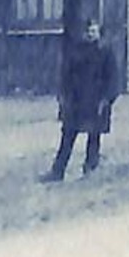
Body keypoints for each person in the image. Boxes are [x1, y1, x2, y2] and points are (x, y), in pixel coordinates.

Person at [40, 19, 119, 182]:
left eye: (94, 31)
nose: (91, 35)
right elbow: (67, 74)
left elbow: (113, 79)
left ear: (99, 34)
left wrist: (106, 99)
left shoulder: (105, 52)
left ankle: (90, 167)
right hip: (77, 101)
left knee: (94, 136)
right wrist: (64, 96)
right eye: (89, 31)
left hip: (96, 101)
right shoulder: (78, 52)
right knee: (68, 135)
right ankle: (58, 170)